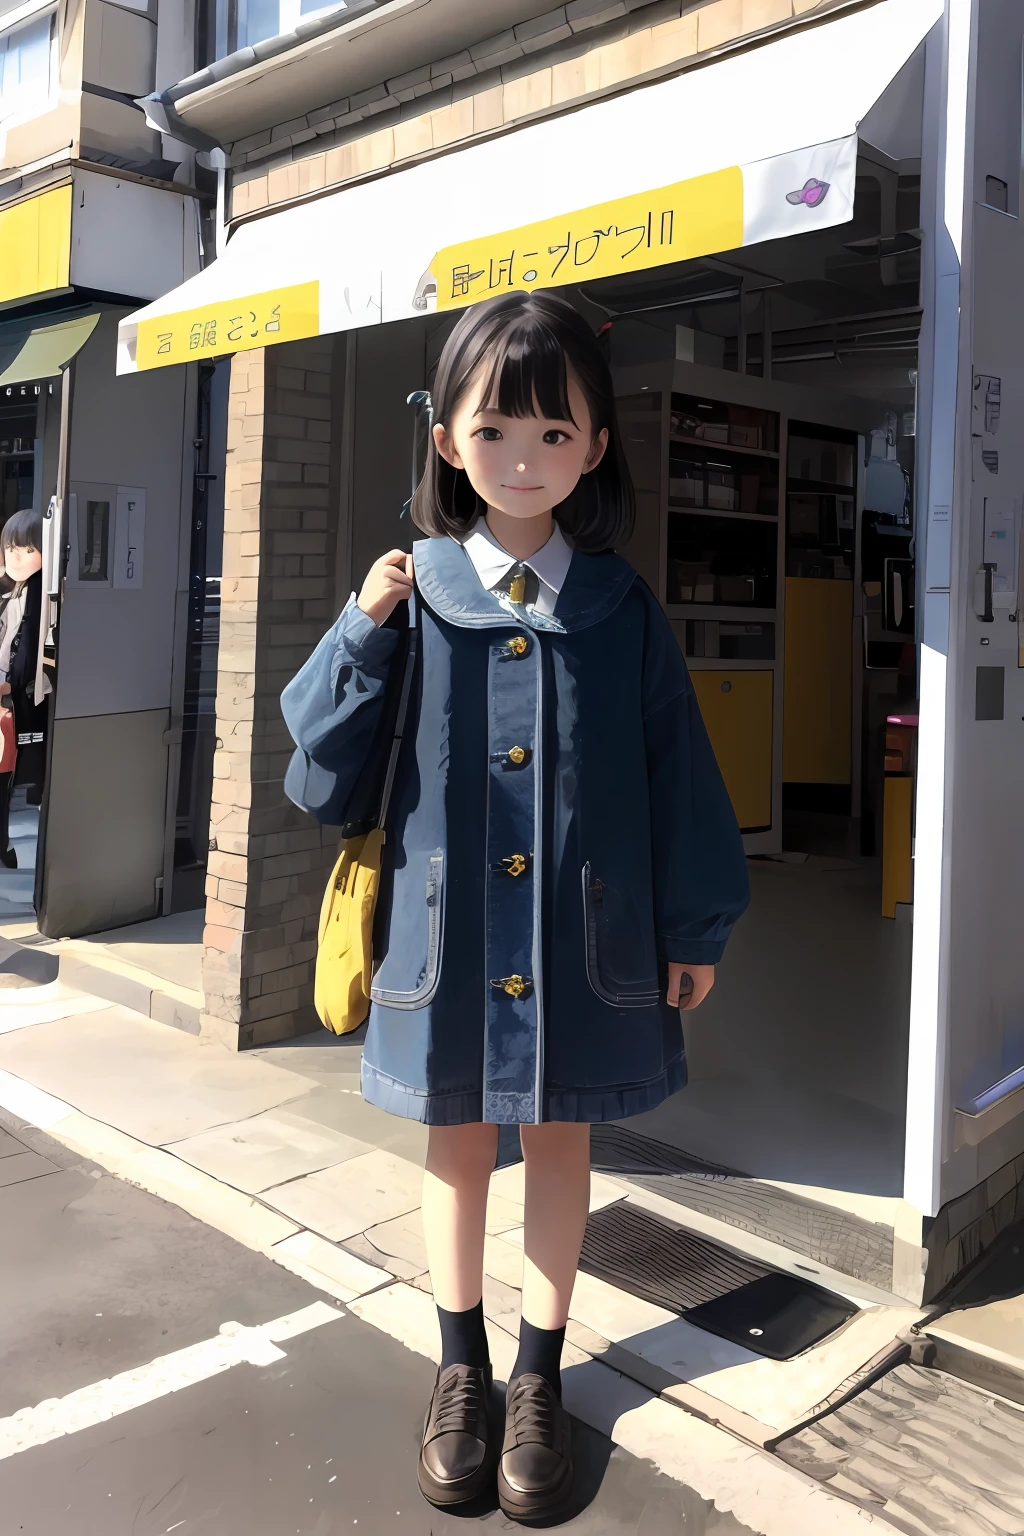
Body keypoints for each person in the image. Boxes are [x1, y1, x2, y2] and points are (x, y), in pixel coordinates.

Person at [281, 290, 749, 1523]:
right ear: (446, 439)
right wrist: (359, 624)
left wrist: (693, 926)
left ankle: (538, 1378)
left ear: (594, 447)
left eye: (554, 434)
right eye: (496, 431)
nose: (524, 458)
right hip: (447, 942)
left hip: (587, 944)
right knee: (455, 1144)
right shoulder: (415, 591)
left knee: (560, 1143)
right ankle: (461, 1367)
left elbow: (678, 773)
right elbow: (315, 770)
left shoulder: (618, 605)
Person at [0, 510, 47, 870]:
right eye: (11, 548)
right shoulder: (16, 590)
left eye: (27, 548)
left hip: (16, 699)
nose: (17, 556)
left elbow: (26, 652)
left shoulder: (39, 595)